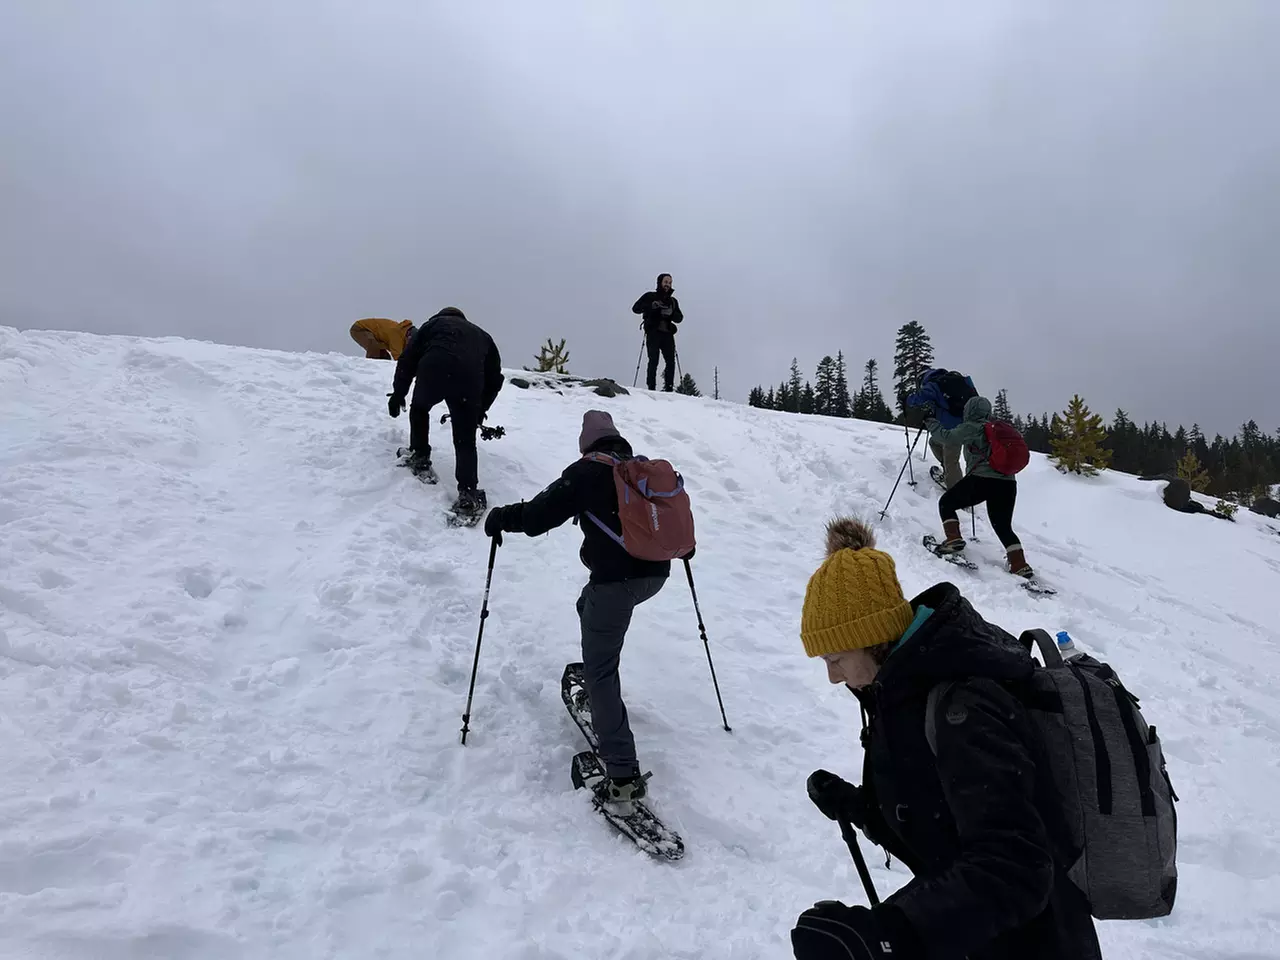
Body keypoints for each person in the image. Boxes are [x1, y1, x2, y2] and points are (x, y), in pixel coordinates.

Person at [790, 517, 1102, 960]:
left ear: (874, 638)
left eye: (837, 658)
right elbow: (940, 824)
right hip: (976, 937)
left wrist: (889, 934)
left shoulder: (964, 705)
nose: (832, 676)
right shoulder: (901, 691)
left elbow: (1017, 868)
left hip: (1036, 943)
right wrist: (860, 808)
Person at [483, 410, 672, 812]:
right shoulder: (639, 472)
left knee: (601, 667)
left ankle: (622, 777)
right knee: (589, 608)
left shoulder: (586, 472)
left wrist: (502, 516)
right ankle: (599, 681)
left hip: (616, 582)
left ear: (587, 443)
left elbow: (536, 517)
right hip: (653, 576)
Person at [388, 307, 503, 516]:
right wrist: (479, 409)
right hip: (469, 381)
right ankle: (468, 494)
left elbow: (407, 359)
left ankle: (420, 455)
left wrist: (398, 394)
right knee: (465, 439)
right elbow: (495, 379)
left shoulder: (432, 326)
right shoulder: (482, 335)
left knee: (420, 409)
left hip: (435, 369)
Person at [925, 395, 1032, 577]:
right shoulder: (997, 429)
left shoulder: (973, 427)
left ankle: (953, 539)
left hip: (982, 479)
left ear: (970, 411)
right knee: (1003, 526)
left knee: (946, 503)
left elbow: (948, 438)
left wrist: (931, 423)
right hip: (1008, 483)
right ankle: (1019, 564)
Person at [906, 368, 977, 489]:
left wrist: (907, 399)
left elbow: (920, 398)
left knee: (951, 461)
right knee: (934, 442)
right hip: (970, 425)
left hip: (953, 430)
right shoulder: (953, 381)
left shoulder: (934, 384)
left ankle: (957, 492)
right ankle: (950, 473)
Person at [631, 273, 683, 392]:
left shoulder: (673, 301)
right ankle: (651, 388)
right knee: (653, 360)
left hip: (667, 333)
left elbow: (679, 318)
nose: (668, 285)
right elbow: (635, 308)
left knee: (670, 361)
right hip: (653, 332)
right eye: (666, 282)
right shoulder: (650, 296)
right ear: (660, 282)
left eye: (670, 283)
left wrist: (671, 313)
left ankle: (669, 388)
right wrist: (651, 306)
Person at [350, 317, 415, 360]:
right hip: (360, 329)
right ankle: (367, 371)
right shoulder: (397, 334)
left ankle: (381, 375)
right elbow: (397, 356)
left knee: (384, 358)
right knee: (374, 349)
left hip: (376, 337)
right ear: (408, 335)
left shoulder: (402, 334)